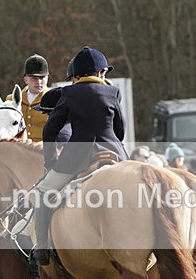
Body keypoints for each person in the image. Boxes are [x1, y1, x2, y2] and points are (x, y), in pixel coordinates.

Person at [32, 46, 128, 265]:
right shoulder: (113, 92)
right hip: (114, 151)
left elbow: (49, 131)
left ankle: (42, 248)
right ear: (101, 73)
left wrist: (51, 161)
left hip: (78, 155)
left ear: (75, 76)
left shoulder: (68, 93)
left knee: (43, 192)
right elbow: (120, 130)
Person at [18, 54, 50, 141]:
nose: (39, 82)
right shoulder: (13, 100)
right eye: (34, 78)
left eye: (42, 77)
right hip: (19, 150)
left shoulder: (54, 100)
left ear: (47, 78)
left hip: (44, 151)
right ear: (25, 79)